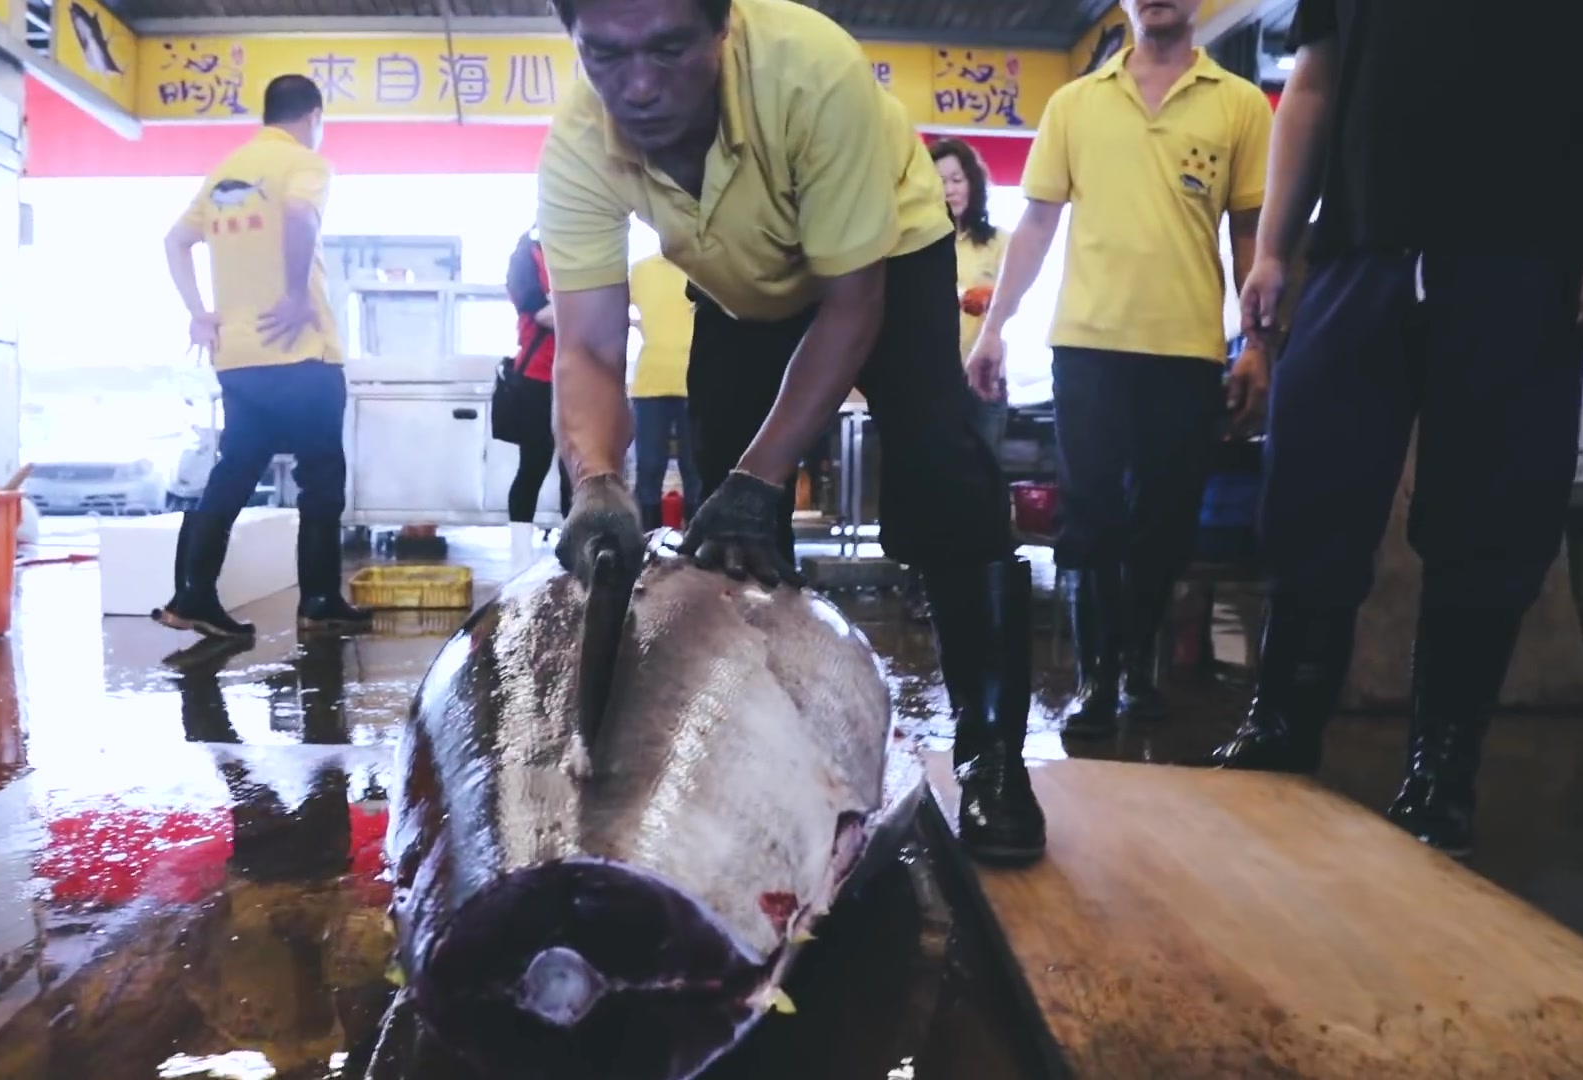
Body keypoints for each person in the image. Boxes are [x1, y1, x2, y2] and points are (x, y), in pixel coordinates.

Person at [536, 0, 1044, 864]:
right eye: (607, 57)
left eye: (669, 48)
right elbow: (585, 344)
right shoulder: (579, 142)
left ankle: (993, 757)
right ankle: (747, 758)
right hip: (740, 289)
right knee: (722, 520)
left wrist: (764, 475)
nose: (641, 86)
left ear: (721, 28)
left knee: (943, 473)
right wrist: (595, 480)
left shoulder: (811, 72)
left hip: (885, 259)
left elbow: (852, 310)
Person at [1211, 0, 1583, 858]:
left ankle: (1441, 773)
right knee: (1312, 486)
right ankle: (1282, 727)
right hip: (1361, 248)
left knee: (1493, 518)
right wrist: (1276, 248)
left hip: (1531, 257)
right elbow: (1314, 84)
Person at [968, 0, 1273, 737]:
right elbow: (1037, 222)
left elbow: (1250, 233)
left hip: (1189, 347)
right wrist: (997, 327)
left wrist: (1260, 343)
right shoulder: (1076, 102)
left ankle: (1139, 669)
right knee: (1093, 514)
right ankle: (1098, 679)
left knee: (1166, 524)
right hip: (1089, 343)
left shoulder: (1239, 105)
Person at [156, 74, 369, 638]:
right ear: (313, 116)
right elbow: (300, 217)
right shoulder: (303, 163)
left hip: (240, 354)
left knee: (234, 472)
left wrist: (200, 313)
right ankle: (318, 599)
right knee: (321, 476)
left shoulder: (228, 169)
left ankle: (193, 594)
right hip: (301, 349)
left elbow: (174, 241)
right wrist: (297, 297)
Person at [930, 138, 1012, 455]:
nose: (950, 190)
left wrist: (983, 298)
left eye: (956, 180)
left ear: (973, 182)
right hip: (932, 383)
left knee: (982, 479)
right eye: (940, 183)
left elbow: (1010, 301)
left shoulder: (1000, 241)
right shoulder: (921, 245)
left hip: (984, 381)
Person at [503, 226, 574, 572]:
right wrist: (587, 314)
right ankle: (520, 559)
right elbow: (539, 313)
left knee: (573, 467)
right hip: (536, 378)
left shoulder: (575, 255)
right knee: (534, 463)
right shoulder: (525, 259)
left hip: (575, 377)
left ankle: (572, 552)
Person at [627, 252, 702, 529]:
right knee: (648, 468)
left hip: (698, 382)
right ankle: (646, 548)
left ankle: (697, 549)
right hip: (651, 384)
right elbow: (607, 309)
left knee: (696, 471)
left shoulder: (703, 267)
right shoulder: (641, 270)